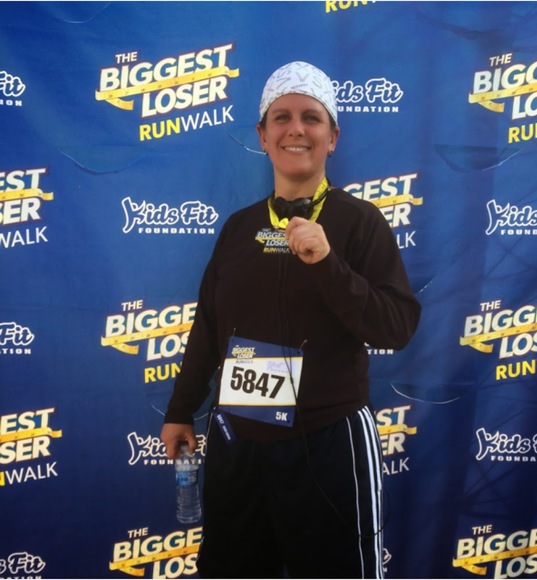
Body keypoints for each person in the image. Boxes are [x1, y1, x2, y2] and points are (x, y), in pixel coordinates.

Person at [161, 61, 421, 579]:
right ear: (263, 136)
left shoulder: (360, 221)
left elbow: (396, 326)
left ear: (333, 138)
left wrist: (328, 264)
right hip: (239, 441)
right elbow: (208, 327)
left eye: (311, 118)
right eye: (281, 117)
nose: (295, 129)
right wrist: (180, 409)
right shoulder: (239, 228)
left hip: (328, 441)